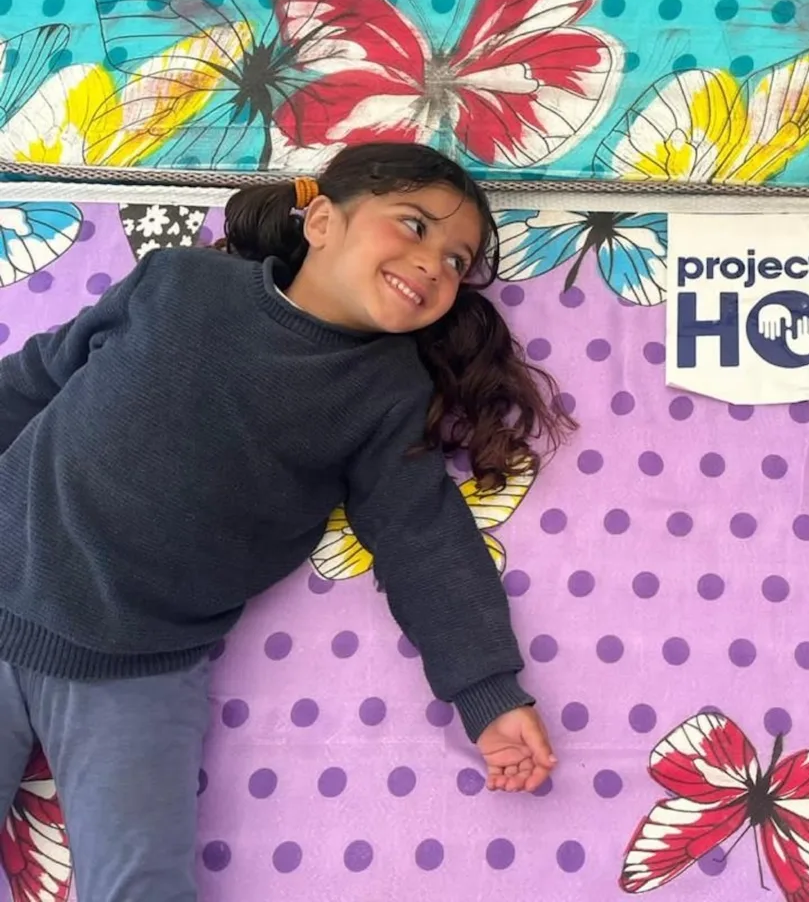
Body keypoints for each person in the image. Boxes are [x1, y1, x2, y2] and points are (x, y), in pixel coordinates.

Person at [0, 142, 571, 900]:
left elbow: (425, 540)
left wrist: (489, 693)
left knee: (144, 887)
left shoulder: (387, 393)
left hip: (140, 664)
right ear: (324, 220)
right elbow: (40, 374)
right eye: (413, 225)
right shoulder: (182, 282)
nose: (435, 262)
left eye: (457, 259)